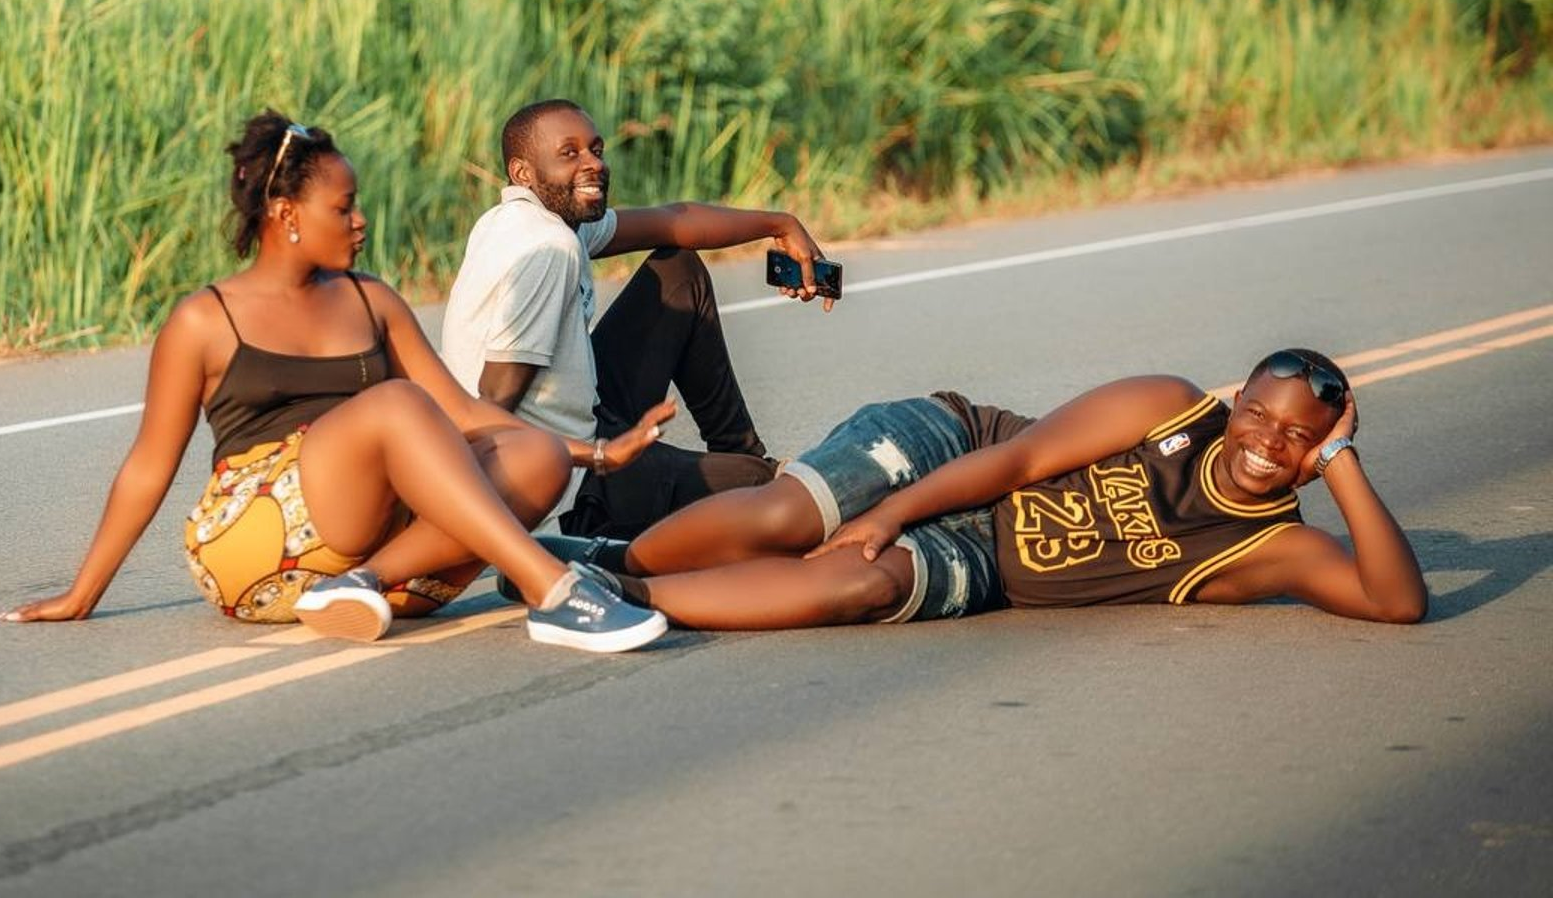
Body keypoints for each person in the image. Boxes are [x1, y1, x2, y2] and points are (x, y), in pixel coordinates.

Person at [2, 110, 673, 653]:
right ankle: (551, 588)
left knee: (536, 453)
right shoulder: (206, 319)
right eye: (344, 207)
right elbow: (149, 466)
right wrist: (83, 592)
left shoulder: (370, 300)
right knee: (398, 404)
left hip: (371, 552)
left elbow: (467, 414)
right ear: (286, 215)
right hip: (255, 542)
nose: (361, 221)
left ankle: (362, 584)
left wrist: (593, 453)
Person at [534, 349, 1427, 629]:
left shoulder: (1271, 544)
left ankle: (620, 591)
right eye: (1260, 416)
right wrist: (888, 509)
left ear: (1321, 449)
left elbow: (1395, 600)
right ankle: (615, 553)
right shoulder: (1169, 408)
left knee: (858, 580)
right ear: (1237, 401)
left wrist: (1343, 464)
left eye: (1299, 437)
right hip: (961, 444)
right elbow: (1019, 463)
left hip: (992, 558)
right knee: (791, 514)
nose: (1269, 442)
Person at [440, 98, 836, 543]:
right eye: (569, 154)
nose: (593, 164)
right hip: (570, 487)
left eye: (596, 149)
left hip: (580, 417)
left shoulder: (524, 219)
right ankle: (747, 473)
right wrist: (595, 459)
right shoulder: (549, 247)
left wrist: (780, 225)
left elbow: (671, 222)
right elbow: (493, 402)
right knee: (778, 490)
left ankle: (737, 456)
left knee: (678, 272)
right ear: (522, 172)